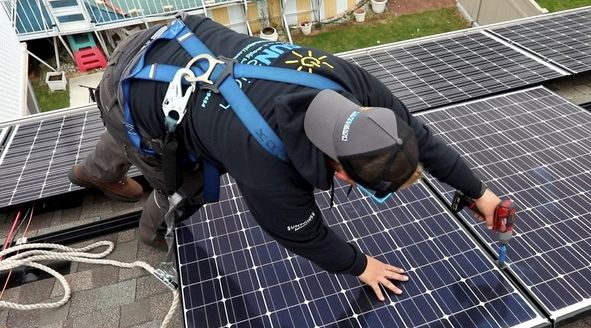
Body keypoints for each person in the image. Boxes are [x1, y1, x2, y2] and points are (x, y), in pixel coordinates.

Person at [69, 13, 501, 301]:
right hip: (128, 86)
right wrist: (361, 266)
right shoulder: (267, 167)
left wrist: (479, 192)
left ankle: (98, 166)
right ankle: (150, 236)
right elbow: (302, 235)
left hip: (173, 41)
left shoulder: (350, 84)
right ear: (346, 176)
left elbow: (422, 140)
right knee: (182, 184)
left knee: (159, 119)